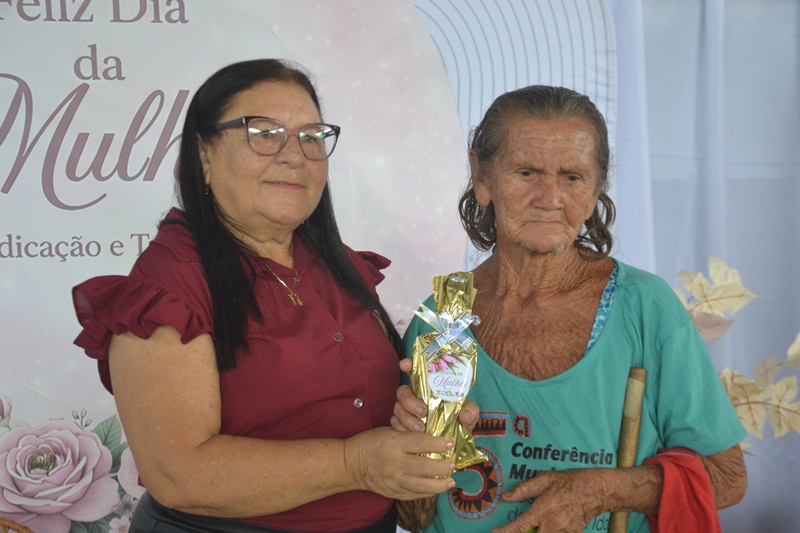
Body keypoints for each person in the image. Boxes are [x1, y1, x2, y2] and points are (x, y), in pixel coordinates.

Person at [71, 58, 458, 533]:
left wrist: (424, 417)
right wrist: (356, 464)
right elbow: (177, 474)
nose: (295, 155)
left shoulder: (339, 264)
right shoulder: (169, 283)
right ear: (204, 155)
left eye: (311, 137)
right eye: (264, 133)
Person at [392, 85, 748, 533]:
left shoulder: (645, 309)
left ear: (596, 189)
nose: (550, 197)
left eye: (572, 177)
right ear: (482, 178)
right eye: (526, 172)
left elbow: (727, 479)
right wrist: (414, 449)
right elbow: (415, 517)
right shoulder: (443, 318)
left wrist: (605, 490)